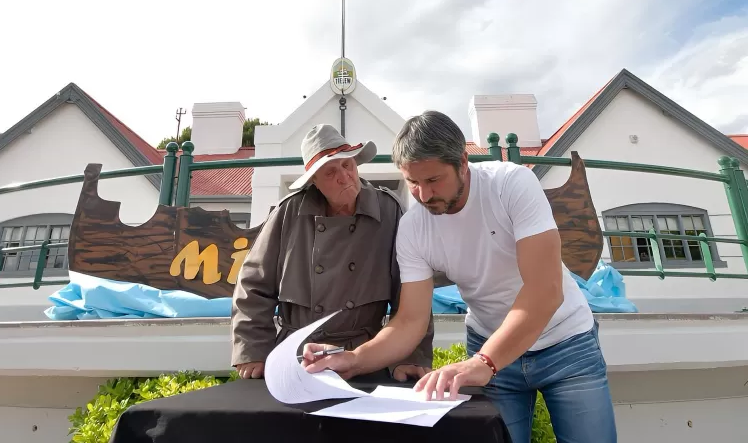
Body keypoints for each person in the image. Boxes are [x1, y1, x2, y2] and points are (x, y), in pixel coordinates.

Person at [303, 112, 617, 443]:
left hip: (565, 342)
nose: (424, 195)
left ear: (463, 162)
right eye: (413, 182)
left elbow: (545, 290)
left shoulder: (511, 184)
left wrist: (484, 362)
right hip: (489, 343)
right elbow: (410, 320)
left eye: (433, 180)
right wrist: (354, 359)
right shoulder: (413, 228)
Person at [231, 123, 433, 381]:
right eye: (330, 172)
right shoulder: (289, 213)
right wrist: (253, 349)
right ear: (314, 181)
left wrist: (411, 356)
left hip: (367, 354)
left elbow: (412, 290)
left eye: (347, 165)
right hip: (300, 354)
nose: (344, 177)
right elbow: (253, 284)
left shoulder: (388, 210)